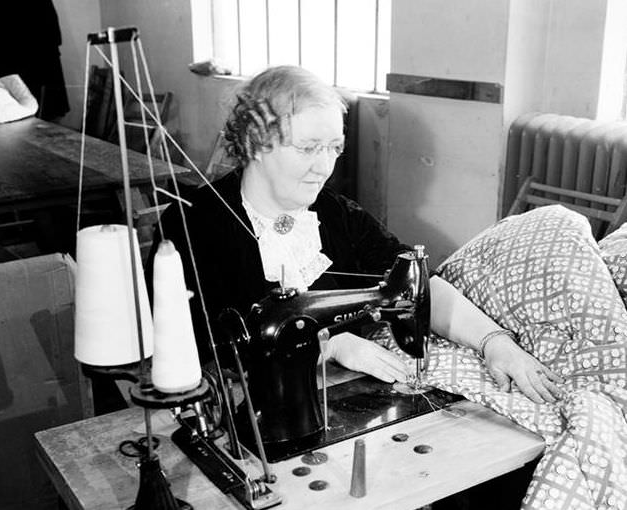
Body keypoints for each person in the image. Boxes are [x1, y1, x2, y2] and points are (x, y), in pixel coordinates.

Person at [146, 65, 563, 404]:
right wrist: (332, 346)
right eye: (308, 148)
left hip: (341, 395)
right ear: (256, 143)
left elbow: (415, 285)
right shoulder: (194, 225)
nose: (323, 167)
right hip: (245, 411)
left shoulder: (336, 213)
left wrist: (495, 344)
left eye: (334, 148)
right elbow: (204, 347)